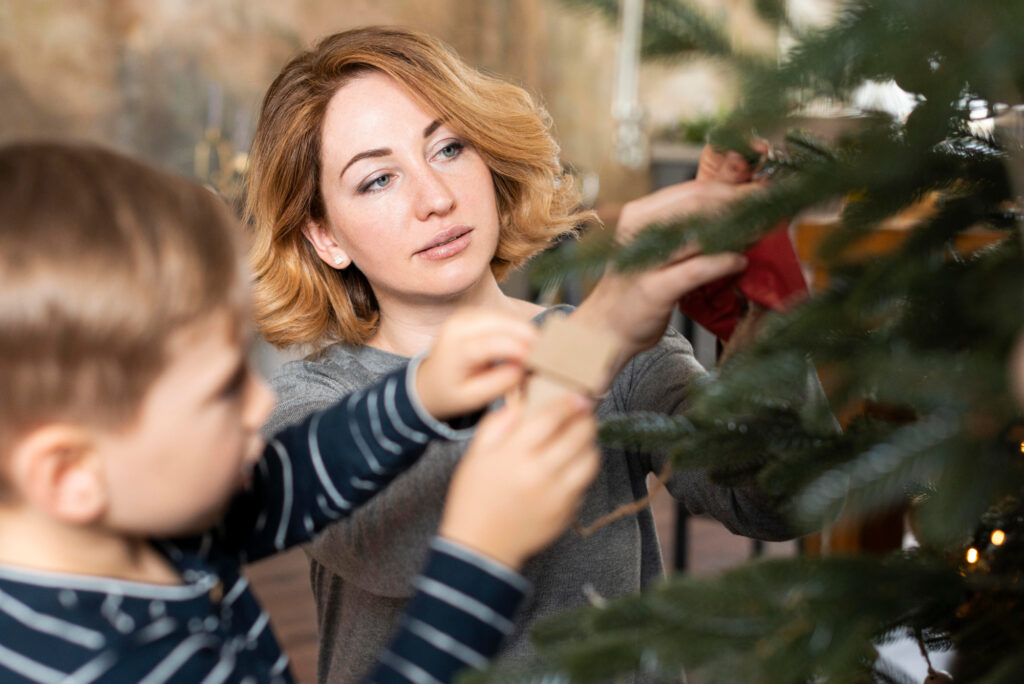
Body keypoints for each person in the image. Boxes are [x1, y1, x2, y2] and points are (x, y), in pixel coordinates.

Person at [247, 26, 801, 684]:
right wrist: (597, 337)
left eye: (449, 147)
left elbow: (777, 500)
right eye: (378, 180)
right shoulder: (308, 405)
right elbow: (412, 544)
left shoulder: (629, 351)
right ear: (325, 237)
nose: (436, 198)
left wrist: (763, 311)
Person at [0, 141, 601, 683]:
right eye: (224, 389)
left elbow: (293, 480)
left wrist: (419, 395)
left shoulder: (137, 514)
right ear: (68, 472)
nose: (260, 400)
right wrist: (481, 556)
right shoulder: (109, 666)